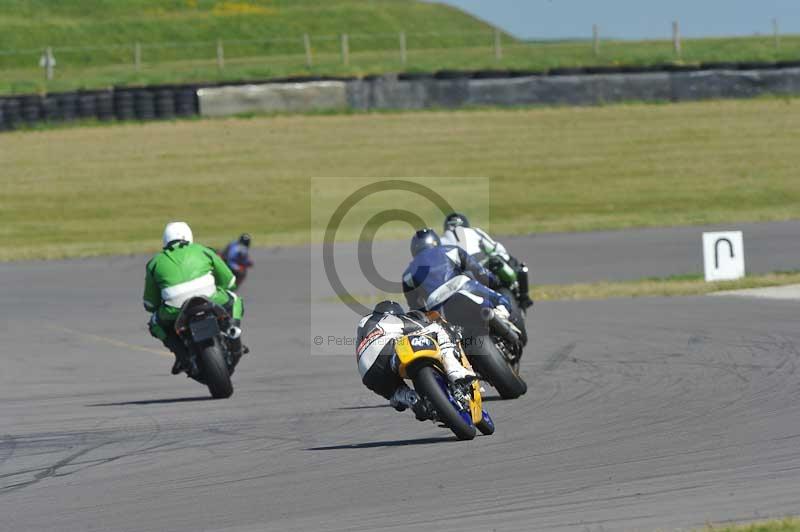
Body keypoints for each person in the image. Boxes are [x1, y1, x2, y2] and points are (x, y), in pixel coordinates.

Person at [143, 222, 245, 375]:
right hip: (210, 299)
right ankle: (233, 329)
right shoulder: (203, 250)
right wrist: (222, 288)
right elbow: (230, 281)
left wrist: (159, 306)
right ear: (189, 236)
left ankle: (180, 355)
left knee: (155, 323)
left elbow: (150, 304)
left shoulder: (154, 263)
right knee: (235, 299)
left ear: (165, 240)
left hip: (175, 309)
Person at [356, 300, 475, 418]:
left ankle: (413, 400)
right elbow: (424, 327)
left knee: (396, 393)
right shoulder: (390, 319)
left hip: (367, 374)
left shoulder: (365, 325)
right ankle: (455, 372)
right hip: (387, 350)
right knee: (437, 329)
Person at [440, 212, 533, 309]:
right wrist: (508, 260)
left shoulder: (441, 240)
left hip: (460, 274)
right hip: (481, 268)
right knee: (515, 266)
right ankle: (524, 297)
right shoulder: (475, 232)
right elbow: (497, 248)